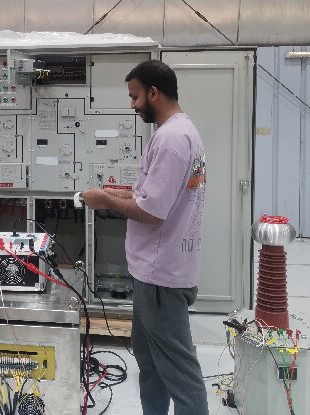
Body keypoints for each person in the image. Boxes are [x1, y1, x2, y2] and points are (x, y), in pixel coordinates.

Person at [81, 61, 208, 415]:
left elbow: (153, 212)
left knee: (180, 373)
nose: (133, 105)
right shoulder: (182, 132)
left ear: (154, 93)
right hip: (154, 273)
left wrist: (106, 200)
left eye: (135, 96)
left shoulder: (170, 140)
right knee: (149, 360)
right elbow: (155, 196)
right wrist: (119, 194)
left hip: (160, 277)